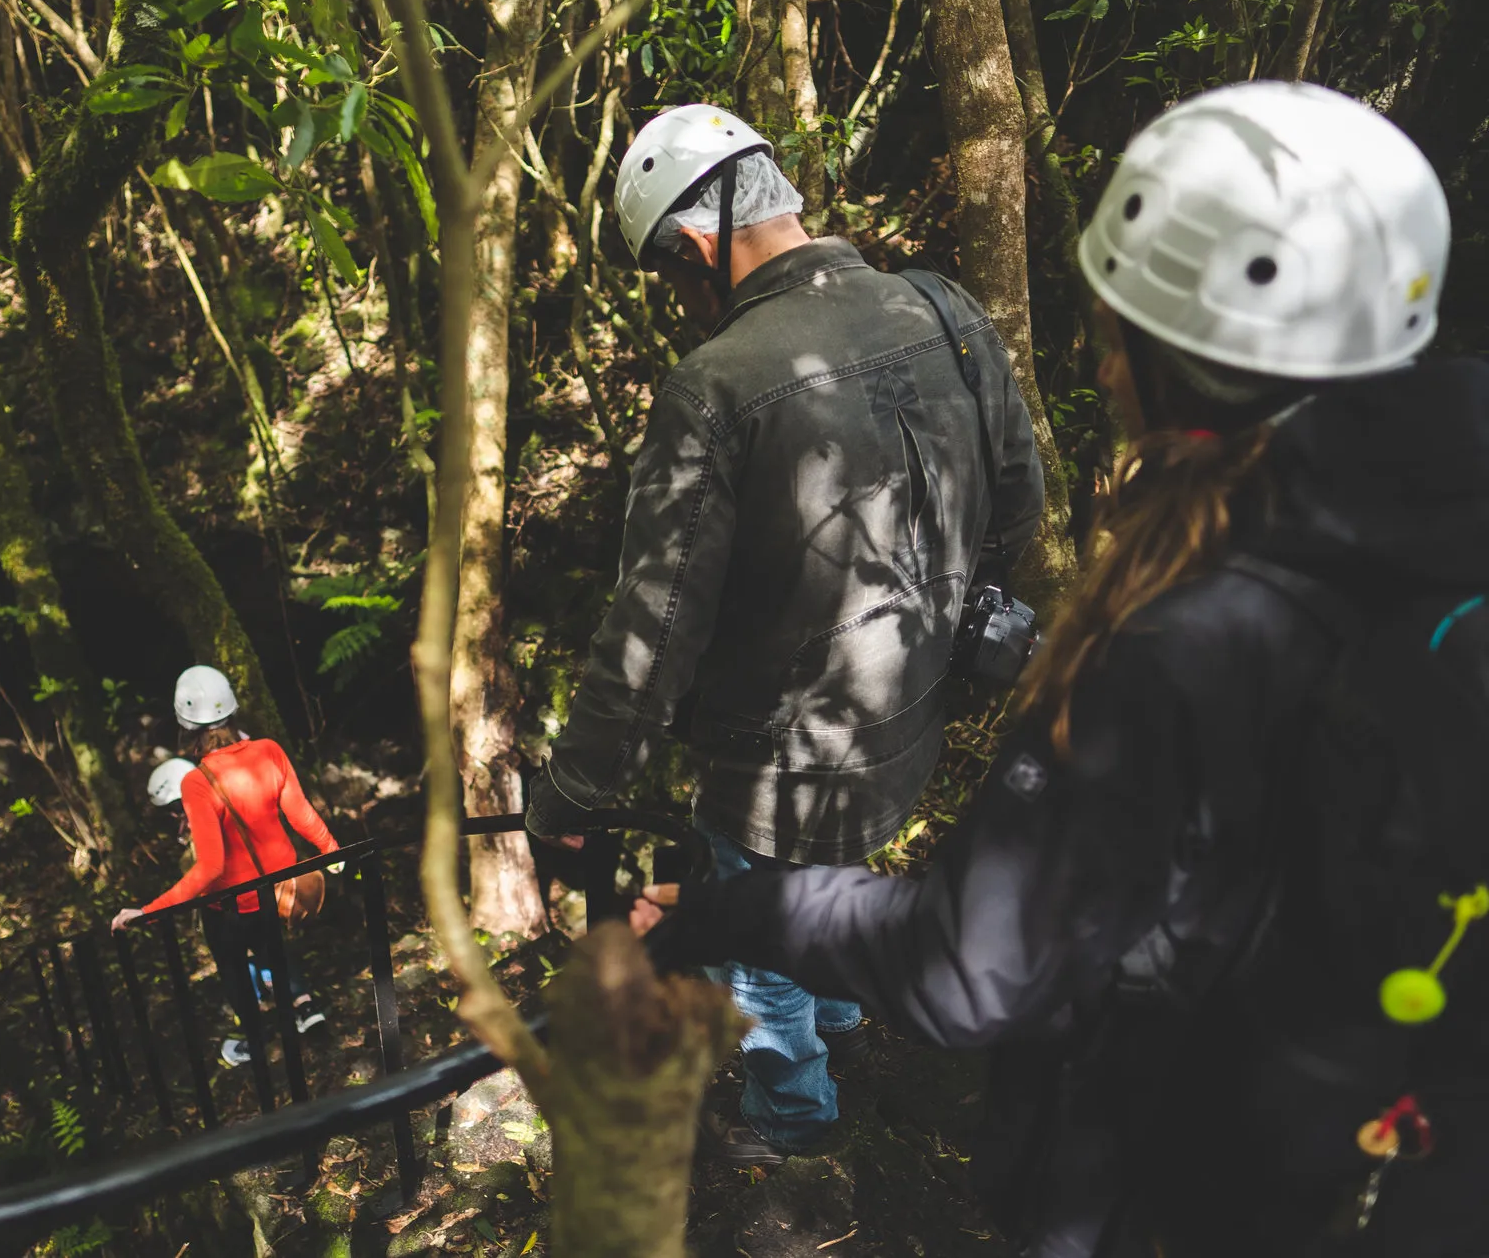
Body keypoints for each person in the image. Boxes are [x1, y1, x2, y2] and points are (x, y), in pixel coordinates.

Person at [633, 82, 1488, 1255]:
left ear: (1170, 357)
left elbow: (968, 966)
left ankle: (801, 1120)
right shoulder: (1433, 534)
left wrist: (723, 910)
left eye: (1105, 332)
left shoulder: (1179, 640)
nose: (1096, 372)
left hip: (1200, 1182)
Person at [524, 104, 1046, 1165]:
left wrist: (574, 794)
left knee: (756, 950)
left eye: (671, 277)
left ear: (699, 243)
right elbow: (1020, 505)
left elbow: (653, 628)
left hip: (773, 766)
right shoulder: (943, 307)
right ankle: (848, 1016)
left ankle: (792, 1124)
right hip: (910, 720)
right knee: (841, 879)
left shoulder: (717, 385)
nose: (678, 303)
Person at [112, 666, 342, 1069]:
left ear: (184, 725)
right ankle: (302, 1013)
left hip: (232, 907)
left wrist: (150, 912)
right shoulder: (269, 751)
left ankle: (256, 1043)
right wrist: (332, 851)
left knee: (234, 969)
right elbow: (301, 815)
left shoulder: (197, 782)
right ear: (233, 710)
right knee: (277, 953)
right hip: (280, 892)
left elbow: (211, 866)